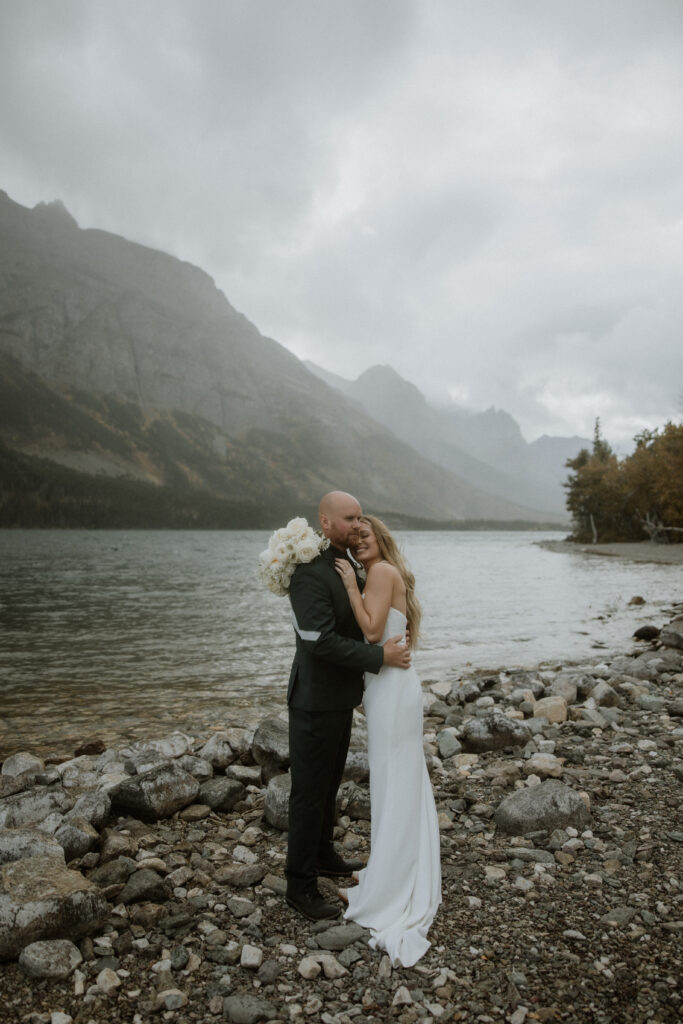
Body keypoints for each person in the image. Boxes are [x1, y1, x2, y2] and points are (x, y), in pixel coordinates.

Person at [285, 491, 412, 921]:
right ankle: (299, 886)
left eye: (361, 517)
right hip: (314, 701)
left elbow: (363, 622)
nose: (358, 525)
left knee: (329, 786)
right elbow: (318, 641)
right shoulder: (308, 573)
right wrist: (380, 658)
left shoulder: (349, 564)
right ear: (324, 521)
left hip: (341, 698)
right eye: (349, 518)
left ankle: (323, 856)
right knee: (307, 793)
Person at [335, 514, 441, 967]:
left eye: (365, 535)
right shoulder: (386, 573)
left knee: (394, 781)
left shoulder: (379, 573)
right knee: (397, 779)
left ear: (380, 539)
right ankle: (390, 872)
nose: (358, 541)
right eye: (353, 536)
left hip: (392, 690)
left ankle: (390, 887)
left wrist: (348, 586)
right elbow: (388, 631)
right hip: (392, 686)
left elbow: (374, 633)